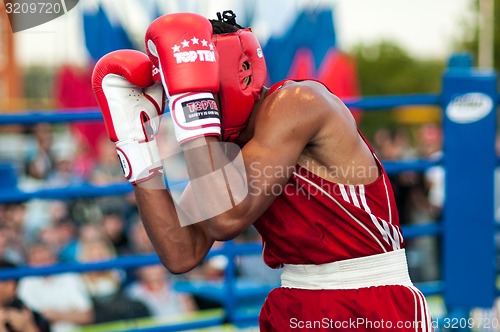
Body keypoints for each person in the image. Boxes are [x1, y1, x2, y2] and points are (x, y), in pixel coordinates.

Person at [91, 10, 433, 331]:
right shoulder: (226, 151)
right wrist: (138, 149)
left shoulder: (298, 103)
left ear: (241, 73)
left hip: (368, 298)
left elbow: (227, 220)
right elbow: (181, 253)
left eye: (195, 94)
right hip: (294, 300)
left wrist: (194, 107)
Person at [0, 260, 51, 332]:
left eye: (15, 282)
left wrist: (28, 328)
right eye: (5, 281)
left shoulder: (21, 309)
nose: (12, 286)